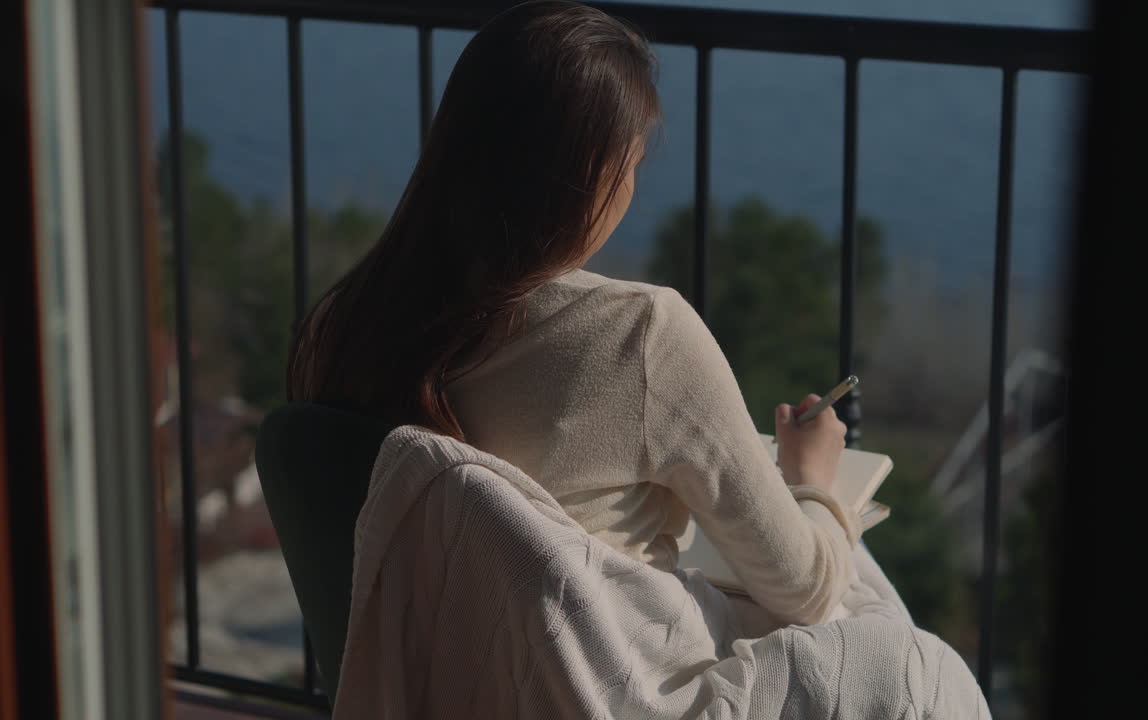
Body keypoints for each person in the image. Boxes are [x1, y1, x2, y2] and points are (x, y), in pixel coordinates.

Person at [286, 0, 859, 633]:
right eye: (633, 163)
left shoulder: (341, 325)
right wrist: (810, 478)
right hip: (605, 691)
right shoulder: (640, 336)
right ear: (591, 175)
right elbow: (805, 590)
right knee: (892, 644)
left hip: (422, 688)